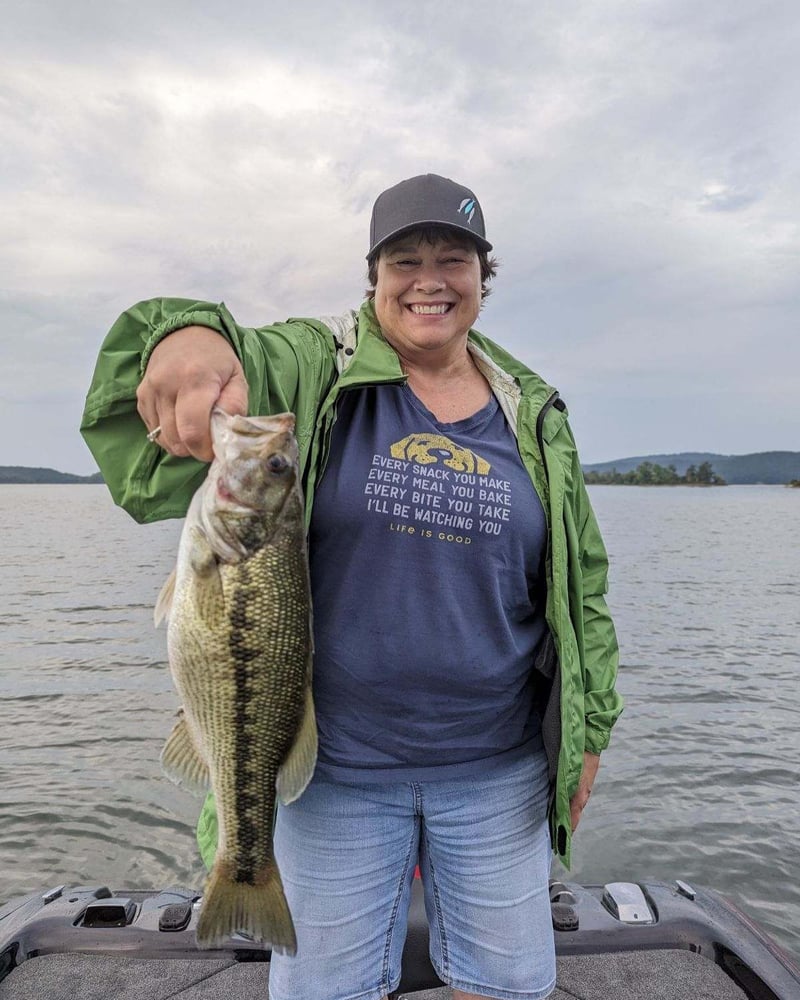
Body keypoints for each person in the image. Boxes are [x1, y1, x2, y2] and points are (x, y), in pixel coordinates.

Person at [81, 173, 623, 1000]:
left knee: (508, 985)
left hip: (498, 769)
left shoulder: (534, 410)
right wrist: (185, 338)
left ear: (484, 277)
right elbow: (237, 355)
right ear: (374, 277)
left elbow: (581, 584)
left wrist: (589, 736)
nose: (430, 279)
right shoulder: (317, 366)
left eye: (454, 259)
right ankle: (245, 865)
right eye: (405, 260)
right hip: (333, 772)